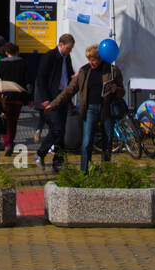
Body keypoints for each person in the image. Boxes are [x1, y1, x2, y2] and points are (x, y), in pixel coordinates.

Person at [50, 44, 126, 173]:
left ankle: (105, 171)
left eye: (94, 59)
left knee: (107, 142)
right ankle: (84, 172)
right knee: (86, 142)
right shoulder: (84, 71)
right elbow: (70, 90)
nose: (91, 62)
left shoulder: (112, 71)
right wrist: (54, 104)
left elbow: (122, 91)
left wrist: (115, 89)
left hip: (106, 109)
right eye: (89, 59)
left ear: (101, 58)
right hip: (90, 108)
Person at [34, 34, 75, 170]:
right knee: (56, 129)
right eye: (68, 48)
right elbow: (41, 78)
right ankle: (40, 153)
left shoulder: (66, 57)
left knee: (61, 130)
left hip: (63, 96)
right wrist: (45, 99)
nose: (69, 52)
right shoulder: (50, 56)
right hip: (52, 97)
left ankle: (58, 161)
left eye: (71, 49)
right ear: (61, 45)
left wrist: (74, 77)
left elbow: (68, 74)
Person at [0, 42, 29, 157]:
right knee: (14, 121)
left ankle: (7, 143)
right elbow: (27, 81)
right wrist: (29, 97)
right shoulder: (23, 63)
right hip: (18, 95)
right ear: (17, 51)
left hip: (5, 96)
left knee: (5, 120)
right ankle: (10, 142)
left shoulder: (1, 64)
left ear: (6, 52)